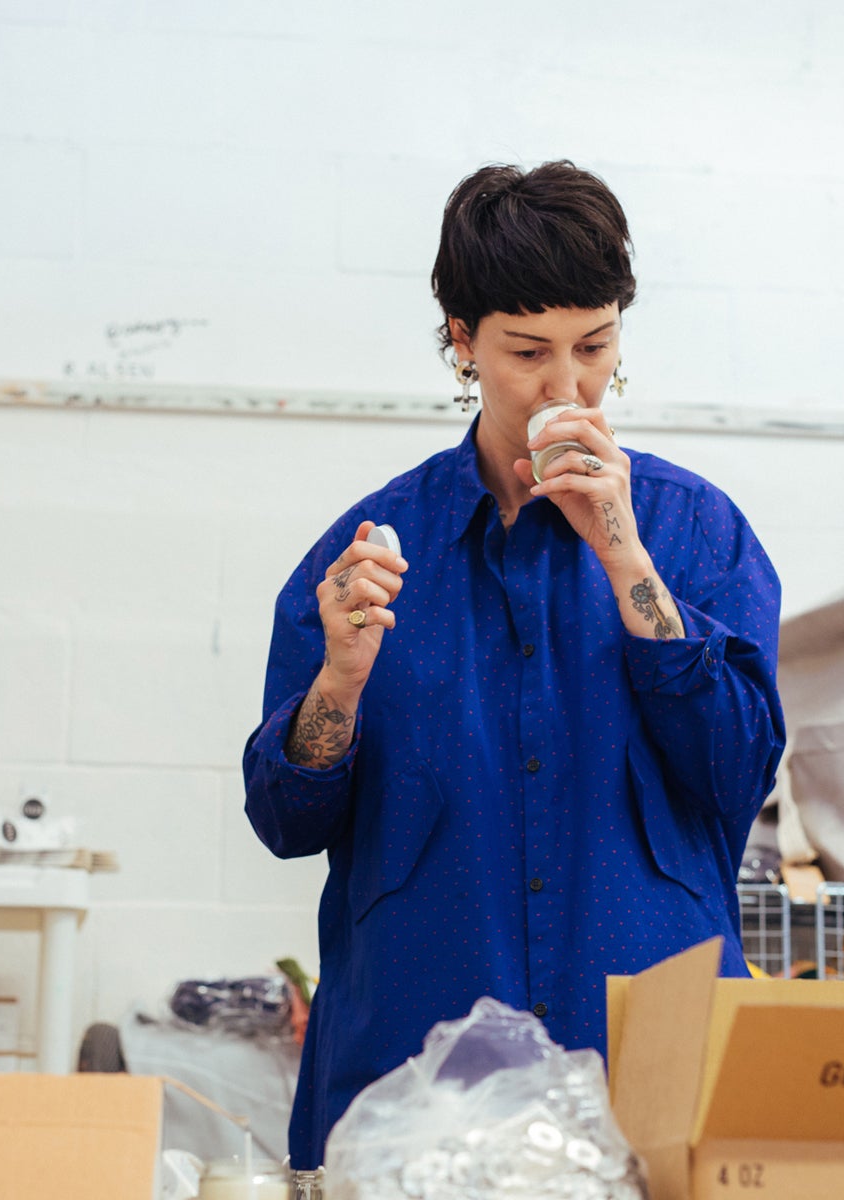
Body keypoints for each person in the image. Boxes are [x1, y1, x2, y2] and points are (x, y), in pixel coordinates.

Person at [242, 161, 785, 1169]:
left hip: (648, 1085)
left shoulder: (695, 532)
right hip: (411, 1096)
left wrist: (624, 554)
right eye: (528, 351)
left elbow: (736, 772)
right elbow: (284, 820)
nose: (566, 385)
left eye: (595, 345)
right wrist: (342, 682)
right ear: (463, 344)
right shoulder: (365, 557)